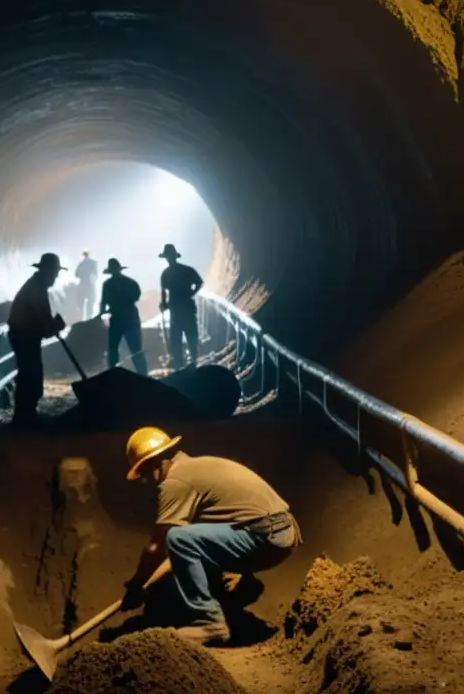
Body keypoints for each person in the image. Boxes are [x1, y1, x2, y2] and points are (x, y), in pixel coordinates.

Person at [119, 427, 302, 646]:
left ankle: (209, 621)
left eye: (144, 474)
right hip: (283, 531)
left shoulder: (175, 483)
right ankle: (242, 588)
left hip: (264, 538)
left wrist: (137, 585)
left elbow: (157, 548)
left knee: (178, 538)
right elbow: (180, 556)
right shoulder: (196, 467)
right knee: (192, 539)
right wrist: (146, 587)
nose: (145, 481)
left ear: (153, 465)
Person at [6, 253, 67, 428]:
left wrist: (52, 326)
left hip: (25, 335)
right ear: (47, 271)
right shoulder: (36, 290)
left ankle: (26, 415)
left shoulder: (36, 287)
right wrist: (56, 325)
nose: (56, 277)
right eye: (54, 273)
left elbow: (43, 323)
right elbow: (45, 323)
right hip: (24, 336)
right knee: (30, 375)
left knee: (30, 374)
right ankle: (25, 418)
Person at [99, 258, 148, 376]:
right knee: (135, 348)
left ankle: (113, 374)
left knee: (114, 349)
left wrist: (102, 314)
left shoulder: (108, 284)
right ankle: (143, 374)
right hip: (129, 317)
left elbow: (104, 302)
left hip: (117, 318)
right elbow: (136, 296)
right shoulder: (131, 282)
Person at [158, 244, 203, 369]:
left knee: (178, 338)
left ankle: (181, 365)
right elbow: (199, 283)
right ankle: (191, 363)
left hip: (177, 310)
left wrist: (164, 303)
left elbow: (163, 292)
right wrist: (191, 293)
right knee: (190, 336)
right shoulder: (186, 270)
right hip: (185, 307)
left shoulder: (166, 274)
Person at [74, 249, 99, 321]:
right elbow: (96, 274)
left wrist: (83, 275)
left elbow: (76, 274)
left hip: (83, 285)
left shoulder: (81, 263)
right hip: (90, 285)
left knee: (81, 305)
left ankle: (81, 320)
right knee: (90, 304)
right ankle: (89, 320)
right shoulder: (94, 263)